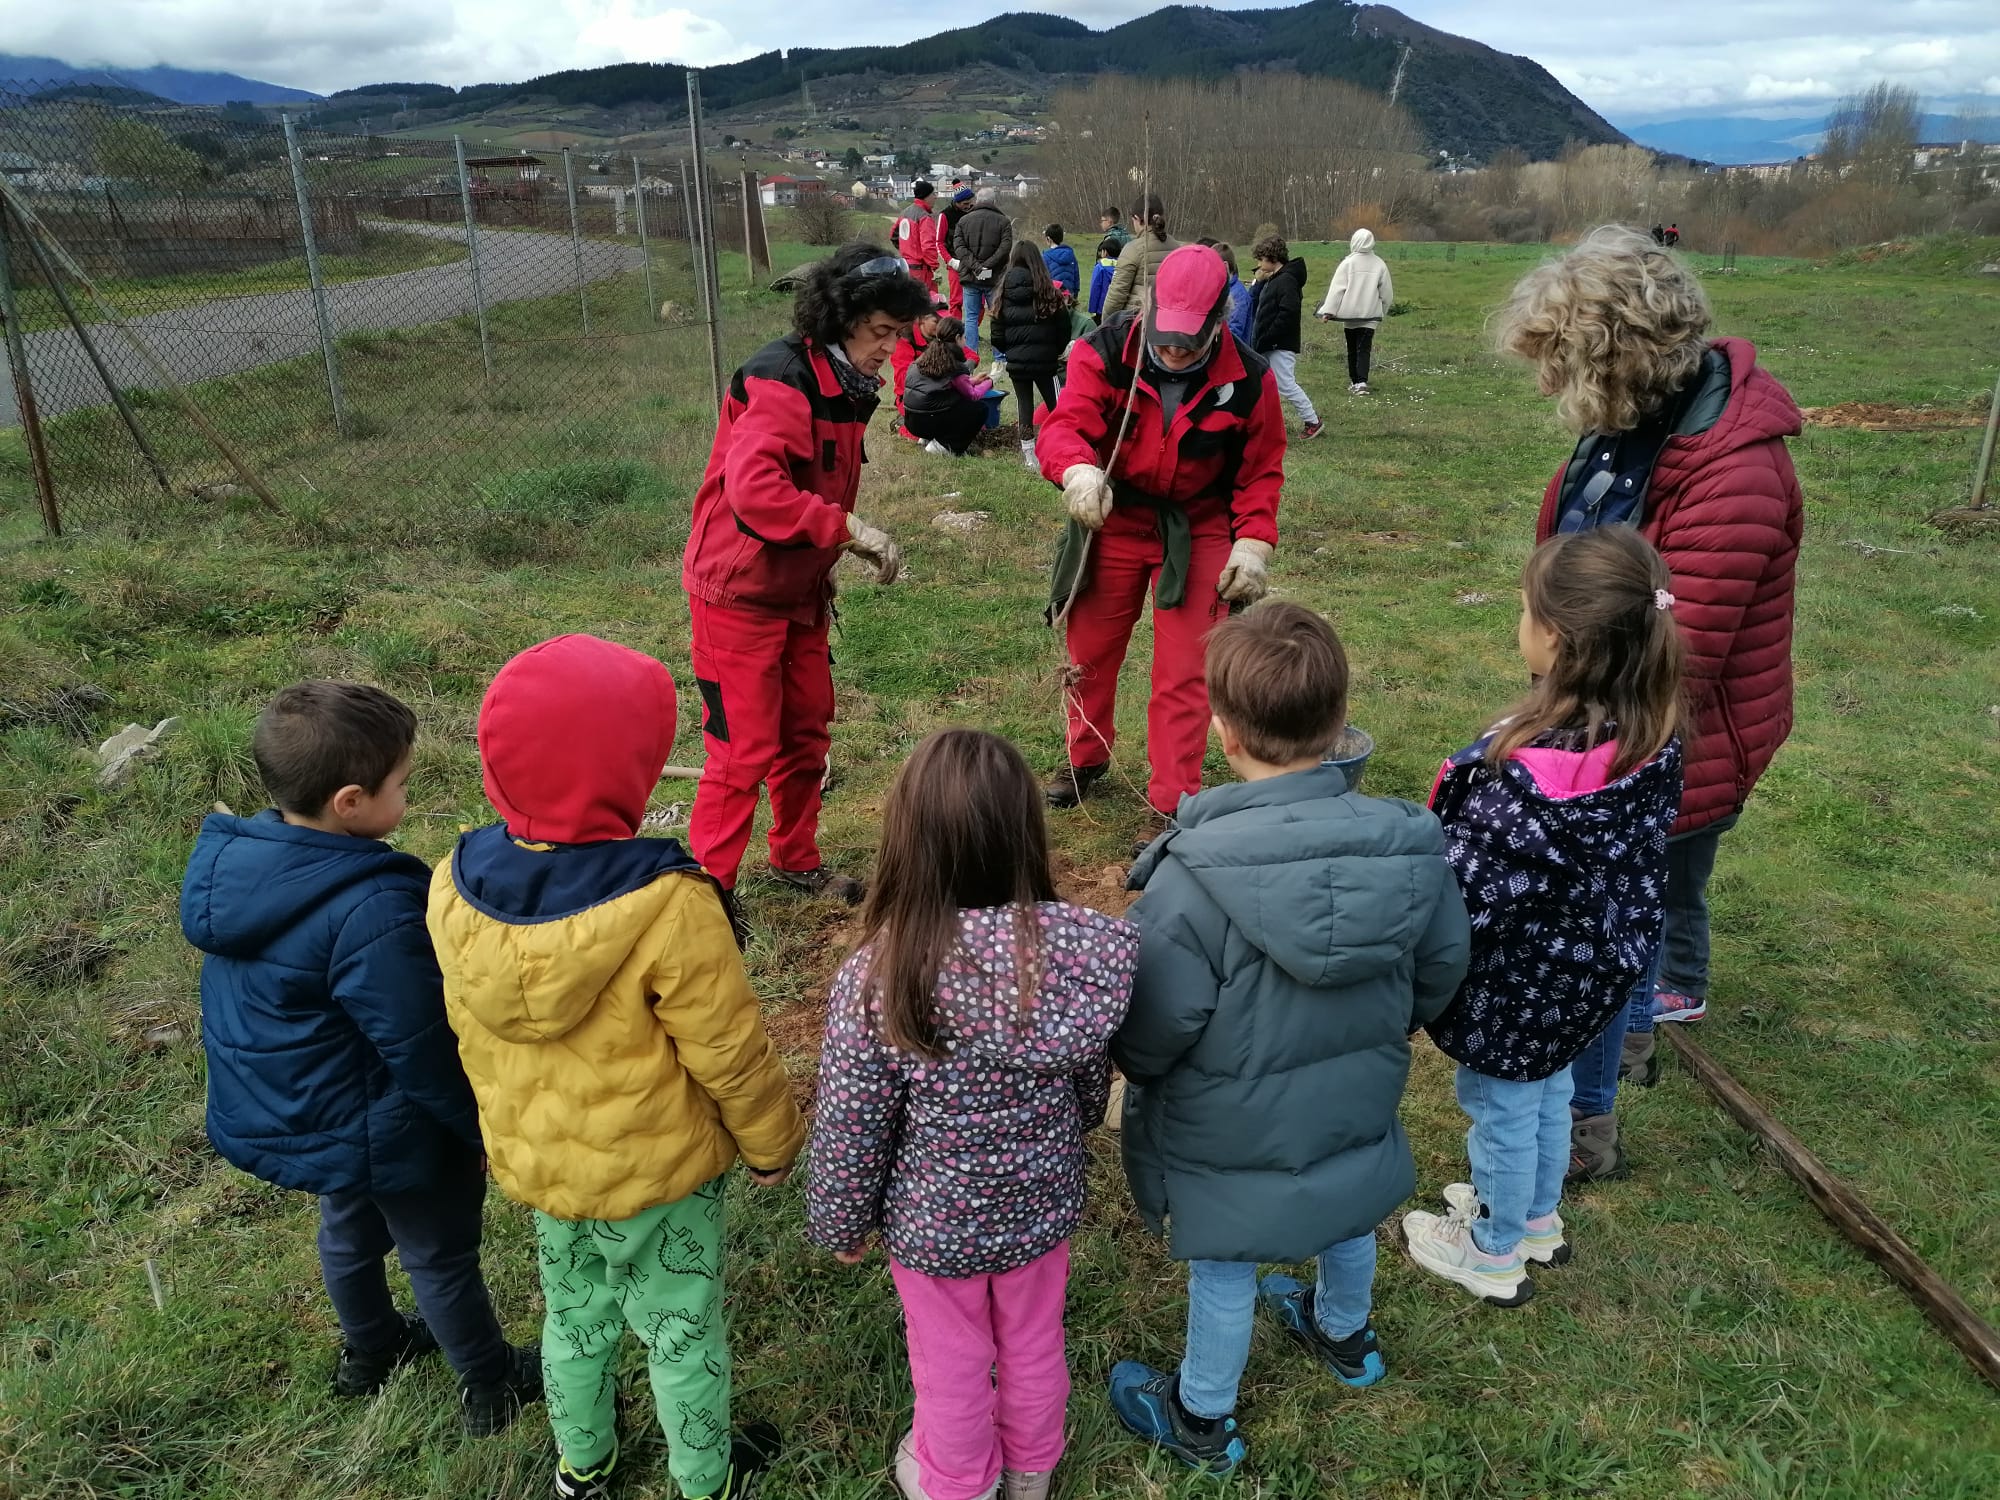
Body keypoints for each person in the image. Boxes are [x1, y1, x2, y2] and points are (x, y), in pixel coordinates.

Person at [427, 634, 808, 1500]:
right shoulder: (669, 901)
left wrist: (490, 1135)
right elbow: (730, 1049)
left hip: (545, 1167)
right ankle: (704, 1480)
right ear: (629, 773)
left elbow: (460, 1033)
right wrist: (772, 1142)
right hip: (660, 1176)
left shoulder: (451, 881)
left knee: (574, 1319)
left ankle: (582, 1467)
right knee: (680, 1329)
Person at [1106, 603, 1471, 1474]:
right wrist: (1389, 1022)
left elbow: (1152, 1029)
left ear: (1223, 731)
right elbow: (1441, 967)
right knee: (1347, 1205)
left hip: (1226, 1126)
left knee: (1228, 1264)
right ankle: (1346, 1335)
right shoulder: (1413, 851)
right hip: (1355, 1095)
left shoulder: (1190, 880)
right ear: (1341, 723)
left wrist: (1141, 1070)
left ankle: (1202, 1416)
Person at [1498, 224, 1803, 1180]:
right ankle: (1620, 1035)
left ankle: (1612, 1064)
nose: (1549, 387)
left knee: (1626, 911)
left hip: (1670, 737)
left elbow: (1680, 659)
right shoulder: (1625, 428)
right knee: (1616, 905)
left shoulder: (1735, 473)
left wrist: (1545, 744)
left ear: (1617, 359)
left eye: (1561, 363)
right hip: (1593, 717)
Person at [181, 682, 539, 1435]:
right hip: (386, 1122)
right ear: (350, 801)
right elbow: (420, 1042)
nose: (408, 796)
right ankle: (488, 1379)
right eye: (403, 784)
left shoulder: (245, 871)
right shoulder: (370, 906)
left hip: (311, 1111)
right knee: (438, 1255)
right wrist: (478, 1130)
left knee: (346, 1231)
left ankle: (369, 1350)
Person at [805, 729, 1139, 1500]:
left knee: (950, 1357)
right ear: (1026, 834)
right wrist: (1079, 1120)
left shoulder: (881, 977)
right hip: (1040, 1206)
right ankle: (1031, 1467)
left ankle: (958, 1482)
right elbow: (1090, 1074)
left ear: (907, 844)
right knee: (1031, 1340)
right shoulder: (1079, 957)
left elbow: (854, 1122)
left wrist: (840, 1220)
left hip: (933, 1226)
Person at [1403, 529, 1686, 1307]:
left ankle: (1491, 1250)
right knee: (1550, 1089)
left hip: (1513, 986)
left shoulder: (1519, 779)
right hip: (1588, 976)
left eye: (1526, 608)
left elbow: (1466, 896)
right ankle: (1536, 1217)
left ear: (1554, 637)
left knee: (1499, 1106)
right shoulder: (1650, 738)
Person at [681, 242, 930, 905]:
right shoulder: (781, 379)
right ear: (842, 319)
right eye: (881, 333)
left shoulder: (843, 383)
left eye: (897, 334)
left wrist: (836, 542)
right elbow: (756, 491)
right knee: (742, 751)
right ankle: (709, 898)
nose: (889, 349)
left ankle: (795, 858)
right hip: (737, 593)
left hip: (799, 592)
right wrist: (844, 529)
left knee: (806, 733)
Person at [1038, 243, 1286, 824]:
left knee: (1186, 670)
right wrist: (1077, 471)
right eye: (1164, 336)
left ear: (1220, 321)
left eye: (1189, 341)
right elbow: (1067, 422)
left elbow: (1260, 472)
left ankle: (1172, 802)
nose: (1173, 351)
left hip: (1198, 528)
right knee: (1089, 651)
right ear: (1148, 308)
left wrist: (1252, 546)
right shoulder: (1103, 350)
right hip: (1114, 518)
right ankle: (1085, 757)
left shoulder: (1249, 379)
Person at [990, 240, 1070, 471]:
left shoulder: (1003, 292)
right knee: (1057, 405)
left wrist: (1010, 351)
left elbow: (997, 334)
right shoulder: (1049, 291)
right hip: (1046, 361)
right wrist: (1054, 350)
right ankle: (1062, 446)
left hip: (1017, 363)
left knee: (1024, 404)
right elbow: (1063, 328)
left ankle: (1029, 455)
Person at [1248, 234, 1321, 438]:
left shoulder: (1287, 281)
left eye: (1261, 259)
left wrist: (1269, 337)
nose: (1259, 264)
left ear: (1272, 257)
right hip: (1270, 343)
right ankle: (1261, 422)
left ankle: (1312, 420)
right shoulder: (1275, 279)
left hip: (1279, 343)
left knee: (1285, 384)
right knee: (1264, 384)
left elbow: (1288, 314)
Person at [902, 316, 994, 456]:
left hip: (911, 421)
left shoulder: (925, 358)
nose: (965, 341)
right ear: (957, 338)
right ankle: (945, 447)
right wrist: (989, 382)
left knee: (944, 400)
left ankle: (927, 438)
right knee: (978, 409)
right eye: (964, 337)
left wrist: (973, 381)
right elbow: (973, 395)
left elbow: (943, 384)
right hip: (929, 419)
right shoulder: (955, 366)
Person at [1318, 227, 1393, 394]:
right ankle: (1361, 382)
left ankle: (1355, 381)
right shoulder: (1379, 264)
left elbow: (1337, 290)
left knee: (1352, 348)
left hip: (1349, 317)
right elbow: (1387, 292)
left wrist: (1328, 312)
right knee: (1364, 348)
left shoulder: (1347, 263)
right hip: (1370, 316)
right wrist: (1383, 310)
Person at [947, 186, 1013, 357]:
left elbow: (959, 247)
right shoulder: (1004, 221)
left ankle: (971, 354)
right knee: (996, 316)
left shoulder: (963, 221)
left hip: (970, 276)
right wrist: (987, 266)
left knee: (970, 317)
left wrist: (976, 266)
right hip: (994, 278)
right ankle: (999, 356)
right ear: (994, 202)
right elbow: (1005, 248)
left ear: (976, 201)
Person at [1099, 192, 1178, 319]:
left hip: (1138, 323)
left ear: (1136, 218)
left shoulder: (1133, 250)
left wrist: (1106, 328)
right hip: (1169, 323)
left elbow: (1116, 297)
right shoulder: (1178, 248)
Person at [891, 298, 950, 441]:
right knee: (926, 435)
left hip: (940, 391)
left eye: (944, 322)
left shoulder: (943, 335)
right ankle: (903, 425)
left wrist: (970, 362)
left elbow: (968, 353)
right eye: (936, 322)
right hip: (911, 397)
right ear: (922, 319)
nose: (941, 326)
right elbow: (903, 379)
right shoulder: (905, 340)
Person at [895, 180, 940, 292]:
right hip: (921, 270)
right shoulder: (924, 216)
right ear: (926, 196)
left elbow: (893, 235)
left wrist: (906, 249)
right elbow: (928, 246)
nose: (935, 197)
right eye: (933, 194)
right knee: (926, 303)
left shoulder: (904, 213)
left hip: (905, 267)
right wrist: (935, 267)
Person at [941, 187, 976, 317]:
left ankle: (971, 332)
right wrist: (950, 261)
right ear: (956, 202)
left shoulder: (974, 212)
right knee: (956, 301)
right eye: (965, 204)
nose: (968, 206)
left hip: (975, 263)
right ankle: (955, 332)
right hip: (955, 263)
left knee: (978, 301)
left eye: (970, 203)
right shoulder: (945, 216)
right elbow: (939, 242)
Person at [1041, 222, 1079, 300]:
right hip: (1069, 296)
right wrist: (1075, 294)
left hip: (1053, 296)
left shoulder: (1045, 257)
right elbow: (1076, 276)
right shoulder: (1071, 255)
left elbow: (1044, 279)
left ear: (1048, 239)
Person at [1087, 236, 1120, 321]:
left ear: (1105, 252)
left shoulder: (1100, 267)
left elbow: (1095, 288)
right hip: (1118, 308)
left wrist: (1092, 308)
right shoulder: (1122, 266)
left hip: (1101, 308)